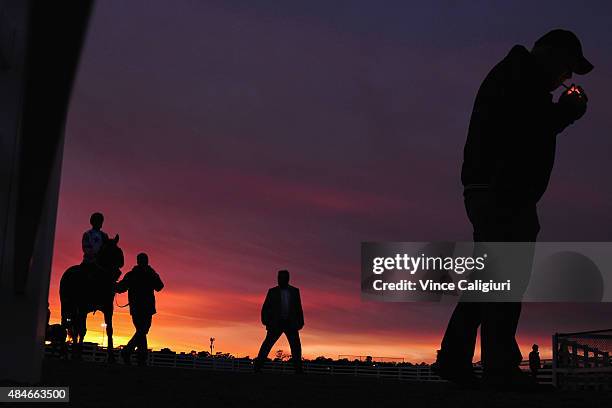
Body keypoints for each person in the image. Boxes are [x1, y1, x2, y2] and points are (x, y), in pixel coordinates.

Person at [435, 29, 592, 390]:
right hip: (502, 193)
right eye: (568, 68)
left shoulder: (517, 76)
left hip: (494, 192)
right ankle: (498, 367)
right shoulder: (520, 77)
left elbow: (526, 129)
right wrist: (565, 114)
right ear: (551, 54)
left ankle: (456, 359)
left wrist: (559, 114)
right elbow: (528, 132)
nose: (566, 77)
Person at [116, 253, 164, 365]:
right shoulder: (147, 274)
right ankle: (130, 353)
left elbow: (121, 287)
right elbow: (160, 286)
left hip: (138, 308)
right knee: (142, 331)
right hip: (145, 308)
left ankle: (139, 357)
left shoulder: (133, 274)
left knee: (141, 332)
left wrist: (114, 286)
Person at [254, 270, 304, 374]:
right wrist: (266, 321)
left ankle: (298, 370)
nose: (280, 280)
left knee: (296, 347)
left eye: (282, 278)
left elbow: (298, 308)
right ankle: (257, 367)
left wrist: (300, 322)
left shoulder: (295, 291)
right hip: (276, 323)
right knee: (267, 345)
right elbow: (265, 307)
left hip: (291, 323)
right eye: (279, 277)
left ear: (288, 278)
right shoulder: (272, 291)